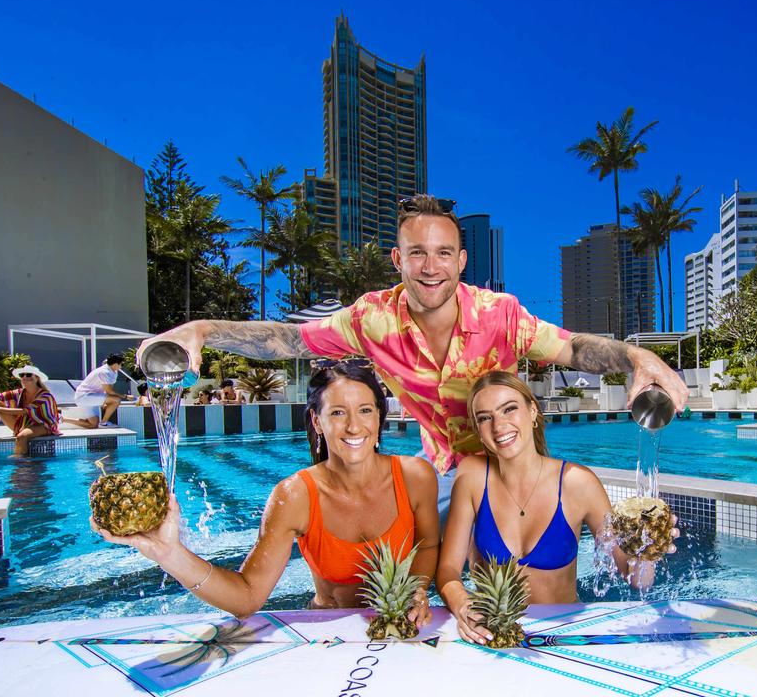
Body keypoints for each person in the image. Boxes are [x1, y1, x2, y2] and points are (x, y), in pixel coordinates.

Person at [139, 194, 688, 518]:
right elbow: (286, 340)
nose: (431, 267)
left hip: (518, 470)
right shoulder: (370, 321)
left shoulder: (502, 314)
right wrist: (202, 328)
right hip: (447, 473)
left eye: (444, 253)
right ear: (397, 259)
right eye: (418, 253)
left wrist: (636, 358)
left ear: (462, 259)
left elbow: (572, 348)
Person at [94, 362, 440, 619]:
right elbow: (247, 597)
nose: (353, 426)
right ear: (317, 422)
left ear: (380, 417)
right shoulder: (295, 496)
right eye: (337, 412)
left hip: (400, 630)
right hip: (326, 631)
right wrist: (169, 554)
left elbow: (429, 544)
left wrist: (419, 589)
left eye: (365, 410)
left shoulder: (415, 476)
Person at [437, 372, 677, 644]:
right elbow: (447, 570)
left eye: (509, 409)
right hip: (492, 635)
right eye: (485, 417)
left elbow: (636, 580)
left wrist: (650, 548)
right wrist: (463, 607)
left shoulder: (577, 483)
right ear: (479, 430)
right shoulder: (472, 476)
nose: (498, 425)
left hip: (563, 637)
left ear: (532, 411)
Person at [0, 366, 60, 455]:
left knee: (21, 437)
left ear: (37, 378)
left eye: (29, 375)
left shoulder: (45, 395)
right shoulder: (19, 392)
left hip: (43, 425)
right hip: (23, 424)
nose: (25, 377)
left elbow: (24, 411)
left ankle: (20, 464)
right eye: (22, 375)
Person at [64, 354, 124, 429]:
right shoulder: (104, 372)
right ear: (115, 364)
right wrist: (125, 396)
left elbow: (109, 389)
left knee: (93, 425)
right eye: (122, 364)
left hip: (92, 397)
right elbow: (109, 390)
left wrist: (105, 401)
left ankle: (63, 420)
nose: (122, 366)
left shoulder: (114, 372)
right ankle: (103, 423)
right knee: (116, 400)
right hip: (84, 397)